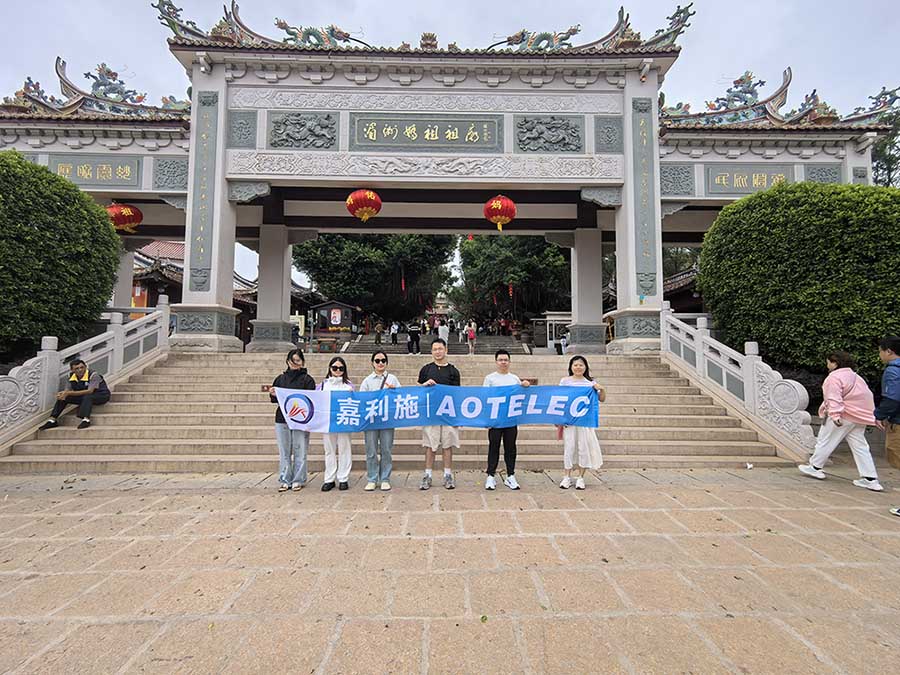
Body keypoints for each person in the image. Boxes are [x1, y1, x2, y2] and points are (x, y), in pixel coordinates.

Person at [798, 351, 882, 491]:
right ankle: (870, 478)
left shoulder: (834, 378)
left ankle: (815, 467)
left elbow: (833, 397)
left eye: (829, 362)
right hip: (859, 417)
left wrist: (835, 414)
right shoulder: (856, 377)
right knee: (860, 447)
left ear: (835, 363)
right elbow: (867, 396)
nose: (827, 365)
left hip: (842, 415)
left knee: (825, 440)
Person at [267, 349, 315, 492]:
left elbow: (312, 400)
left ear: (302, 362)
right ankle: (285, 478)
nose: (295, 363)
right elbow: (275, 400)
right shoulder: (280, 379)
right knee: (284, 450)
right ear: (287, 361)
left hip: (301, 420)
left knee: (300, 450)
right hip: (282, 419)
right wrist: (273, 394)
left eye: (298, 360)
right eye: (292, 360)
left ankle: (298, 479)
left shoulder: (308, 380)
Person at [483, 349, 530, 490]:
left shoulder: (514, 378)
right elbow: (485, 399)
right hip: (495, 420)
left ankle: (510, 475)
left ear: (509, 362)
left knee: (511, 447)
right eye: (500, 360)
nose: (503, 362)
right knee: (494, 447)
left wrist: (524, 386)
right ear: (496, 362)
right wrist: (487, 419)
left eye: (506, 360)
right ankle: (490, 476)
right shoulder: (490, 378)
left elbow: (520, 397)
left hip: (510, 419)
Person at [418, 338, 461, 490]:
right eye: (435, 349)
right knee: (430, 445)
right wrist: (424, 385)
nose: (438, 352)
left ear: (446, 350)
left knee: (447, 446)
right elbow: (419, 391)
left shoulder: (453, 371)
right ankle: (427, 475)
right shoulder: (426, 369)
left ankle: (447, 475)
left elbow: (457, 395)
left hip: (448, 414)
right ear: (431, 352)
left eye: (440, 349)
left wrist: (457, 417)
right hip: (431, 414)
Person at [558, 355, 605, 490]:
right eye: (575, 365)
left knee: (583, 448)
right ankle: (566, 476)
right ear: (571, 367)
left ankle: (581, 477)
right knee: (569, 448)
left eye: (581, 365)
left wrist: (602, 389)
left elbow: (601, 399)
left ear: (585, 367)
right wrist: (560, 419)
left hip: (585, 422)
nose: (578, 367)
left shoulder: (590, 383)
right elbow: (560, 400)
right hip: (570, 421)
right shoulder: (565, 381)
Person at [360, 351, 400, 491]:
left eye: (383, 360)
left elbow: (401, 398)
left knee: (386, 450)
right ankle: (372, 478)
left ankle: (385, 478)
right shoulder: (367, 381)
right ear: (372, 363)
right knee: (371, 450)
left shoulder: (393, 379)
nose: (380, 363)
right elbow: (362, 401)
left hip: (387, 420)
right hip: (371, 420)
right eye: (377, 360)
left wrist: (394, 391)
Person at [39, 359, 110, 430]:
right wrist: (63, 394)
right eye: (77, 368)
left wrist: (68, 393)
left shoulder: (94, 375)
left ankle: (86, 420)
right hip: (84, 397)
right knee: (64, 397)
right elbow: (67, 390)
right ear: (72, 370)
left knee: (88, 396)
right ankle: (52, 420)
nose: (80, 370)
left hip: (101, 395)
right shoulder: (70, 376)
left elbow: (89, 391)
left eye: (82, 367)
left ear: (86, 367)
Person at [320, 356, 354, 492]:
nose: (338, 370)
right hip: (328, 422)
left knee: (345, 448)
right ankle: (329, 478)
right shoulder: (322, 385)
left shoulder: (348, 386)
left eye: (341, 368)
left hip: (344, 420)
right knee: (329, 450)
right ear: (330, 368)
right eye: (335, 368)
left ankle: (343, 478)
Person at [874, 336, 900, 474]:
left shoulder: (893, 371)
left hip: (897, 421)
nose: (880, 355)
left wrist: (879, 415)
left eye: (880, 351)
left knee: (895, 452)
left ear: (889, 351)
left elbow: (892, 398)